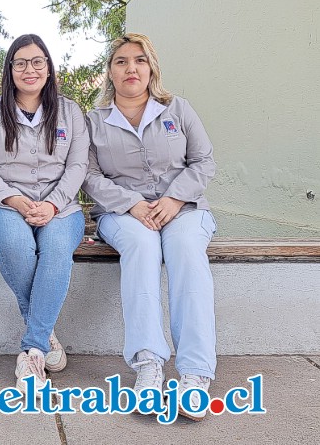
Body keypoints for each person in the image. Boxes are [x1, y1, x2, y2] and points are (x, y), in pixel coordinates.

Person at [82, 33, 217, 420]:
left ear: (151, 68)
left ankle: (194, 373)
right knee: (141, 248)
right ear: (110, 71)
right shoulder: (94, 121)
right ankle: (148, 364)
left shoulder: (178, 109)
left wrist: (174, 198)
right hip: (124, 214)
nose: (131, 68)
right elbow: (88, 175)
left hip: (184, 210)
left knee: (188, 253)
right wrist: (132, 204)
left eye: (139, 60)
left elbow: (204, 161)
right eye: (122, 61)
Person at [0, 34, 89, 394]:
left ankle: (33, 349)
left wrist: (53, 203)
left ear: (49, 68)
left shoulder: (70, 111)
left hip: (62, 206)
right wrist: (16, 201)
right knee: (17, 246)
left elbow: (78, 164)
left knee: (55, 250)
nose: (30, 69)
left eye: (38, 61)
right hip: (0, 205)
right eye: (20, 62)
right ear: (10, 70)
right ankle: (43, 329)